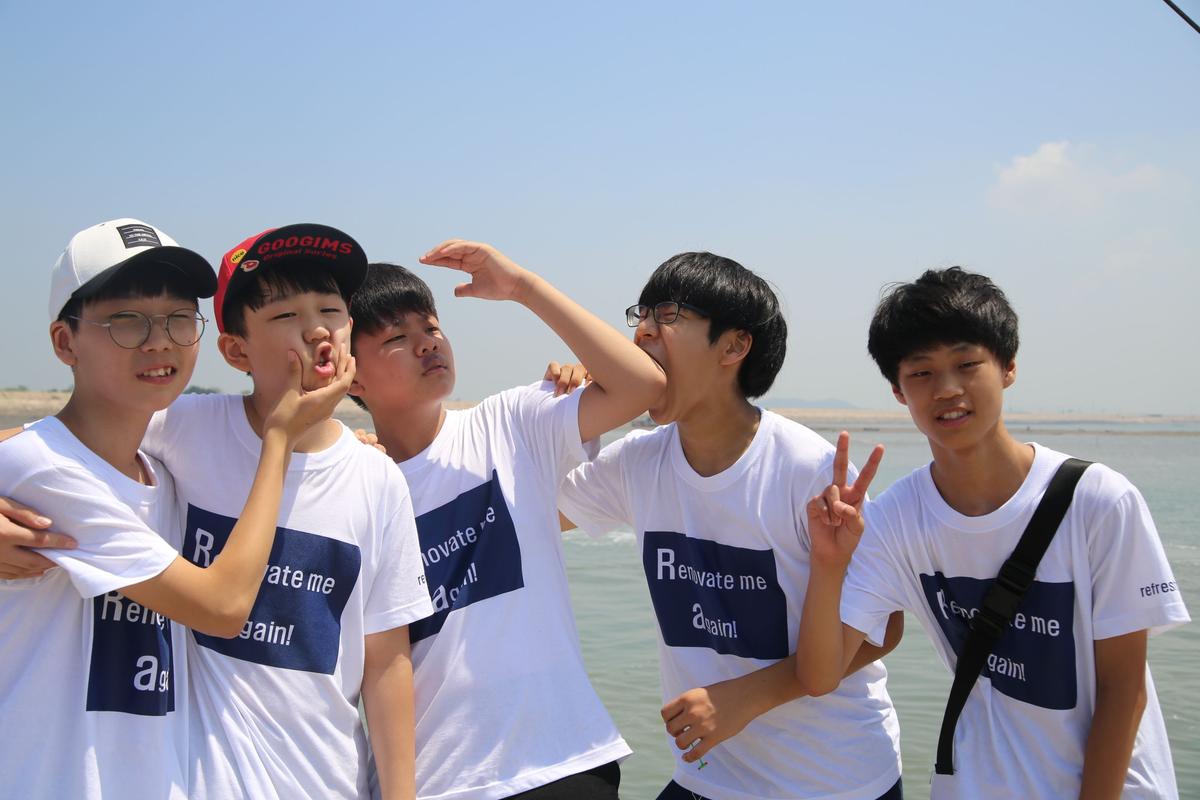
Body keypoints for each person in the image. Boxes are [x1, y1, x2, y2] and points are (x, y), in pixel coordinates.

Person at [795, 267, 1190, 798]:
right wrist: (829, 562)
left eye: (967, 364)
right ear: (897, 390)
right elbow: (820, 677)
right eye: (922, 372)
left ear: (1008, 367)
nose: (947, 389)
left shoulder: (1098, 501)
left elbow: (1124, 691)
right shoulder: (896, 519)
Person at [0, 218, 347, 798]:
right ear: (65, 342)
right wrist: (280, 440)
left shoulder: (161, 475)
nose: (159, 341)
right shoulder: (44, 470)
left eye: (180, 318)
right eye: (127, 321)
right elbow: (223, 608)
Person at [556, 251, 904, 800]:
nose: (642, 332)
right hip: (708, 775)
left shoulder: (806, 470)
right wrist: (566, 417)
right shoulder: (638, 462)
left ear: (734, 346)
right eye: (639, 316)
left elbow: (885, 626)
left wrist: (748, 696)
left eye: (667, 315)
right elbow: (521, 514)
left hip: (832, 780)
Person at [346, 240, 665, 800]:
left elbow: (643, 385)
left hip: (563, 762)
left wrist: (523, 288)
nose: (427, 344)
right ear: (353, 379)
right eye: (397, 338)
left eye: (432, 327)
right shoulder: (354, 486)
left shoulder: (511, 424)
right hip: (439, 783)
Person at [143, 224, 433, 798]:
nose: (318, 328)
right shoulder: (186, 428)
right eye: (284, 315)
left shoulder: (377, 479)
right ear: (236, 350)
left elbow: (385, 662)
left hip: (326, 780)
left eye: (331, 309)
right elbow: (58, 444)